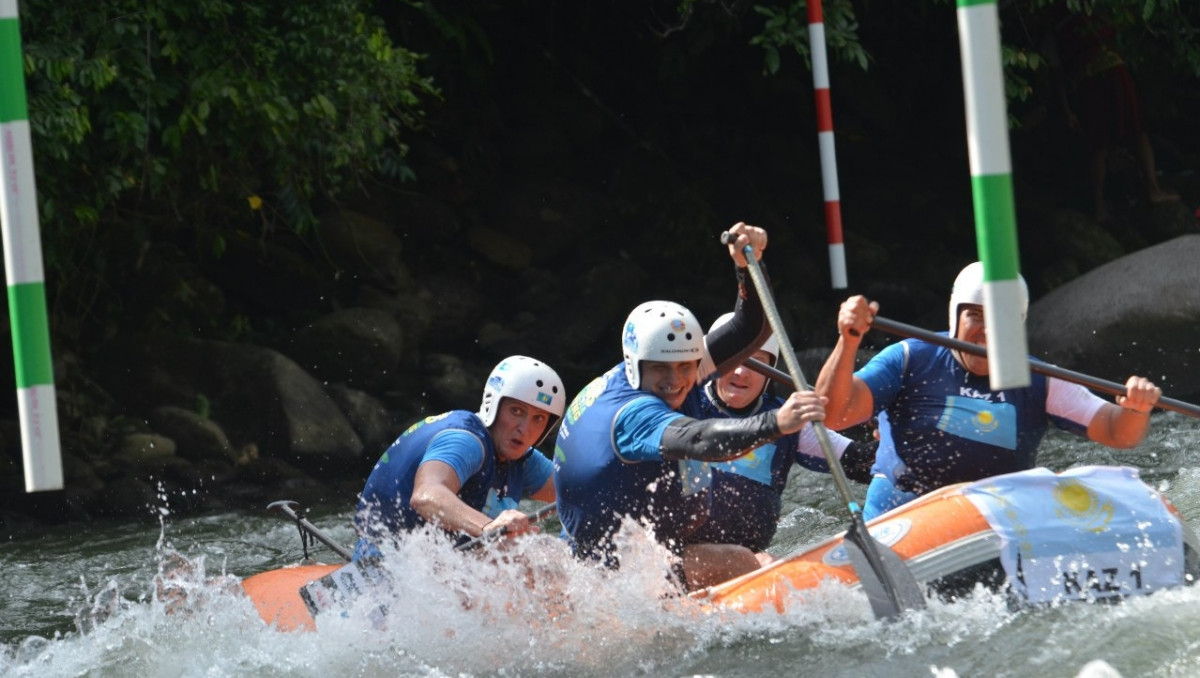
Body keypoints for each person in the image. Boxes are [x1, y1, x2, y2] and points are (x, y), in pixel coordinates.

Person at [553, 223, 829, 591]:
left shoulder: (661, 363)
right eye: (662, 371)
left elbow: (751, 329)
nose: (677, 381)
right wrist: (776, 422)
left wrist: (749, 266)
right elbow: (699, 439)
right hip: (616, 577)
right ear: (637, 363)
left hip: (635, 545)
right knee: (743, 562)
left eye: (686, 367)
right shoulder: (633, 413)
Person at [815, 261, 1162, 520]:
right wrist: (849, 343)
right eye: (977, 316)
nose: (987, 332)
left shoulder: (1038, 378)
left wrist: (1135, 408)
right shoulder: (910, 358)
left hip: (997, 523)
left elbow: (1117, 431)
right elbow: (835, 413)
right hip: (903, 518)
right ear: (956, 317)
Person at [686, 313, 875, 558]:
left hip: (750, 557)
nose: (742, 372)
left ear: (769, 372)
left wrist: (895, 435)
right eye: (734, 360)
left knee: (761, 561)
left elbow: (859, 461)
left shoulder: (789, 419)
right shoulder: (684, 405)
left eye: (756, 362)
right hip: (686, 553)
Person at [352, 355, 566, 558]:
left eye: (538, 418)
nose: (524, 429)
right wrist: (488, 527)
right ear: (494, 405)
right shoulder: (466, 441)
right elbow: (426, 496)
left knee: (547, 553)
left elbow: (577, 491)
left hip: (436, 569)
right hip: (385, 563)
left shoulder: (521, 458)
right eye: (516, 411)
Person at [1043, 3, 1180, 222]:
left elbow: (1057, 75)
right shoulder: (1089, 10)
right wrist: (1068, 111)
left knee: (1098, 145)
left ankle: (1100, 207)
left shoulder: (1059, 26)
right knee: (1135, 133)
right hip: (1110, 74)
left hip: (1088, 82)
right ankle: (1152, 190)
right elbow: (1057, 74)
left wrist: (1068, 110)